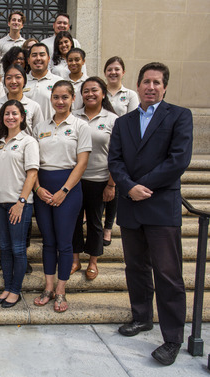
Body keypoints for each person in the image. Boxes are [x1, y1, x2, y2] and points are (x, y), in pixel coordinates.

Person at [108, 62, 193, 366]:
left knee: (168, 274)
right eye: (146, 81)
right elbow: (115, 161)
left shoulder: (180, 116)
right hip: (131, 205)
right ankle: (141, 317)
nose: (151, 87)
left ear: (165, 86)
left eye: (157, 82)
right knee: (136, 267)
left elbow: (178, 160)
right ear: (139, 84)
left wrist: (143, 185)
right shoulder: (124, 122)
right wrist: (129, 187)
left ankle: (172, 338)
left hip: (160, 205)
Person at [32, 80, 91, 313]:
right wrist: (37, 188)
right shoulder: (40, 127)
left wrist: (64, 190)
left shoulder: (79, 126)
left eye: (65, 97)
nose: (60, 101)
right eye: (56, 97)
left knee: (65, 243)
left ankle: (61, 290)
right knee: (48, 241)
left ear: (72, 99)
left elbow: (82, 162)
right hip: (43, 189)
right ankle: (48, 287)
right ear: (51, 99)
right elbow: (33, 163)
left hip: (68, 189)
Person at [0, 100, 39, 308]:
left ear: (22, 117)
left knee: (18, 249)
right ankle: (7, 288)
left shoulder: (28, 142)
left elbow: (32, 173)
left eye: (15, 113)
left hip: (19, 203)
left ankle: (15, 290)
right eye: (7, 114)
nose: (10, 117)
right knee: (5, 248)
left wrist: (21, 202)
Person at [71, 77, 118, 280]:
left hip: (99, 180)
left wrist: (111, 184)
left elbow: (117, 155)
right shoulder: (73, 116)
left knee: (95, 222)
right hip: (74, 179)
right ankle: (74, 259)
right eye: (86, 91)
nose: (90, 94)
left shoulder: (113, 119)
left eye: (94, 90)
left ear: (103, 93)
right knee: (73, 221)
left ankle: (92, 261)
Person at [102, 56, 140, 246]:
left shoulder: (130, 94)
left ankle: (108, 227)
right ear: (105, 72)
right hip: (100, 143)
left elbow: (133, 120)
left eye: (117, 69)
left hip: (120, 145)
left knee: (113, 186)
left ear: (123, 72)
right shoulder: (100, 91)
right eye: (109, 69)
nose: (113, 72)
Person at [0, 64, 43, 141]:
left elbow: (38, 135)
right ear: (4, 81)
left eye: (18, 77)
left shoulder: (34, 106)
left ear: (25, 81)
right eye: (9, 78)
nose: (13, 81)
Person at [25, 43, 62, 120]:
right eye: (34, 55)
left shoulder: (59, 82)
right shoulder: (21, 82)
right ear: (28, 60)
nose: (38, 58)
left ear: (48, 59)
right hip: (25, 131)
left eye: (42, 55)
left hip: (50, 130)